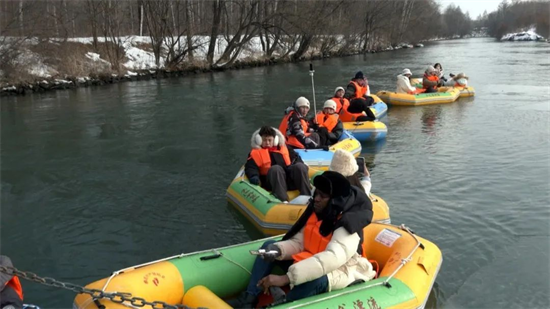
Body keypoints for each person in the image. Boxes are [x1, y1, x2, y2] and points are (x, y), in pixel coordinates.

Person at [228, 171, 375, 309]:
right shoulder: (317, 212)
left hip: (339, 270)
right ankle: (249, 298)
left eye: (322, 196)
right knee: (270, 246)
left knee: (317, 279)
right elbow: (300, 243)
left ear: (335, 200)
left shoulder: (348, 224)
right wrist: (278, 250)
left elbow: (330, 259)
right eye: (316, 193)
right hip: (311, 260)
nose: (316, 199)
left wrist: (285, 278)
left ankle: (284, 305)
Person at [245, 126, 312, 202]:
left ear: (275, 140)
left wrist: (297, 167)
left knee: (300, 166)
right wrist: (254, 176)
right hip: (271, 182)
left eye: (269, 140)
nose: (267, 143)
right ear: (259, 140)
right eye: (264, 140)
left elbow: (296, 159)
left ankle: (307, 196)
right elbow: (250, 167)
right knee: (276, 168)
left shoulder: (285, 148)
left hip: (288, 179)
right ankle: (282, 200)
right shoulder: (255, 153)